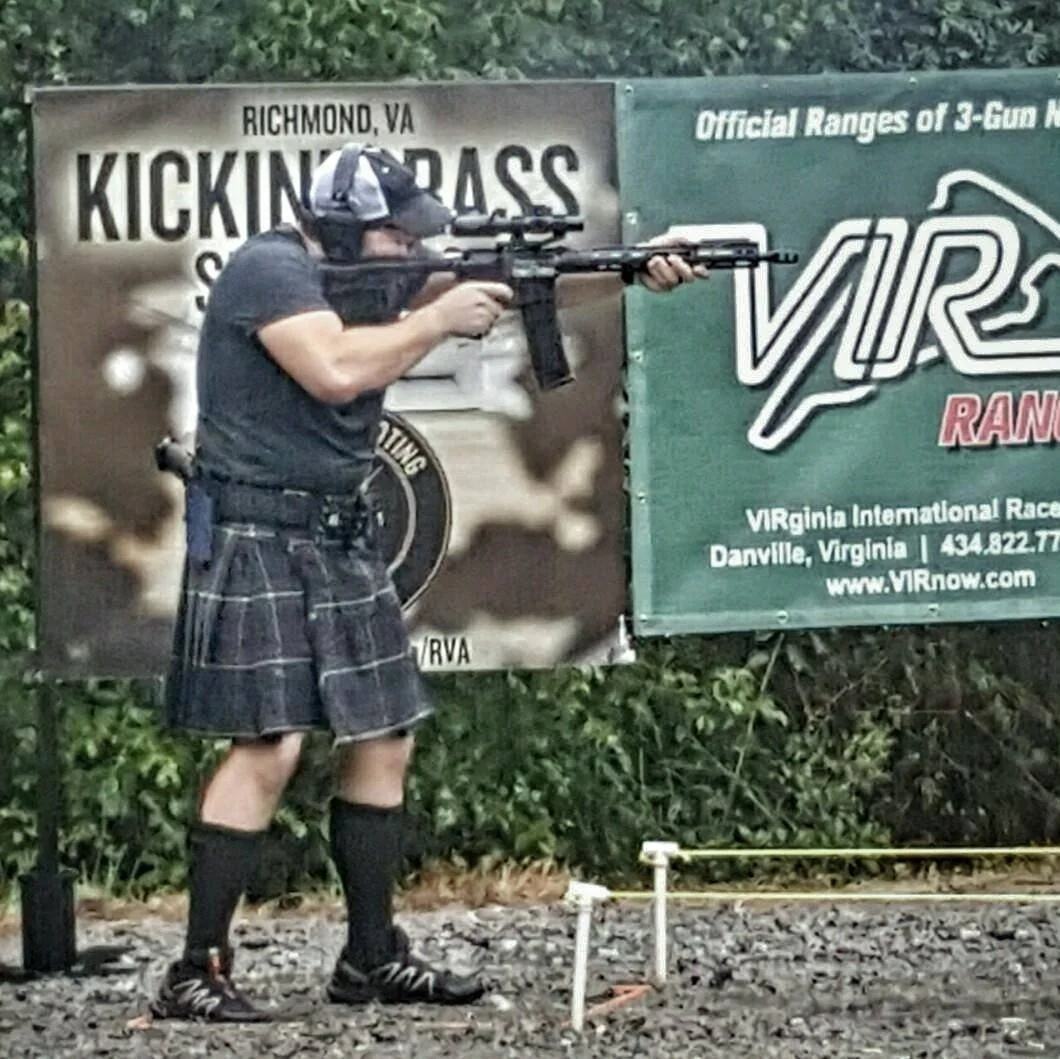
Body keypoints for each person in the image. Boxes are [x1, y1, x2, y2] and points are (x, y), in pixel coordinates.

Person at [149, 142, 706, 1022]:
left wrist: (636, 271)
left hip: (336, 530)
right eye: (391, 236)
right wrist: (439, 319)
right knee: (272, 743)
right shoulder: (270, 271)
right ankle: (195, 967)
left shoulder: (375, 278)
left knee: (384, 735)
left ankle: (371, 957)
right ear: (340, 226)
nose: (407, 252)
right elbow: (335, 370)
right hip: (258, 526)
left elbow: (537, 286)